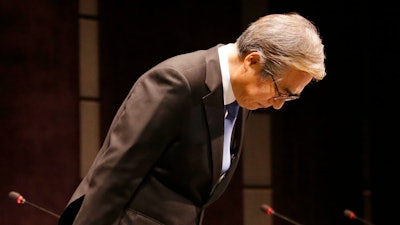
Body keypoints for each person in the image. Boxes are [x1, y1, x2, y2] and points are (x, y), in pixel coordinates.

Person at [58, 12, 326, 225]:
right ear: (253, 61)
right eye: (281, 92)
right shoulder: (177, 82)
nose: (278, 105)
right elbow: (115, 175)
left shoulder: (241, 93)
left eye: (290, 98)